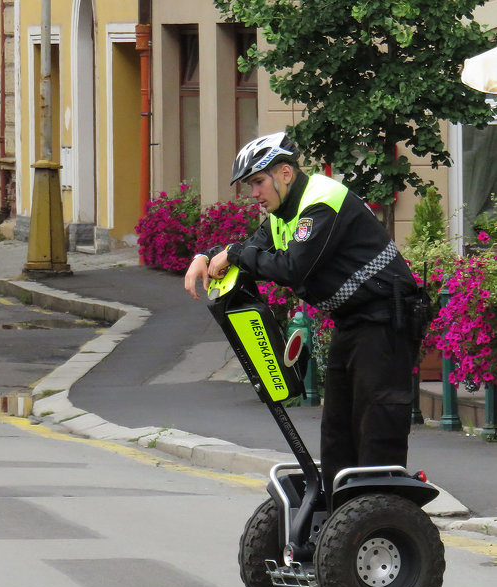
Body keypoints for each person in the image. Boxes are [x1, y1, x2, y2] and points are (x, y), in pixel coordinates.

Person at [183, 132, 429, 500]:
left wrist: (233, 255)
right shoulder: (282, 215)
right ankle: (337, 517)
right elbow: (252, 247)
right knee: (336, 430)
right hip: (352, 321)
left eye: (258, 182)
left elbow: (293, 268)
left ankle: (380, 518)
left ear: (285, 173)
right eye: (251, 185)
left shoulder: (321, 201)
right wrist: (206, 255)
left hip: (385, 322)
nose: (254, 193)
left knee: (376, 424)